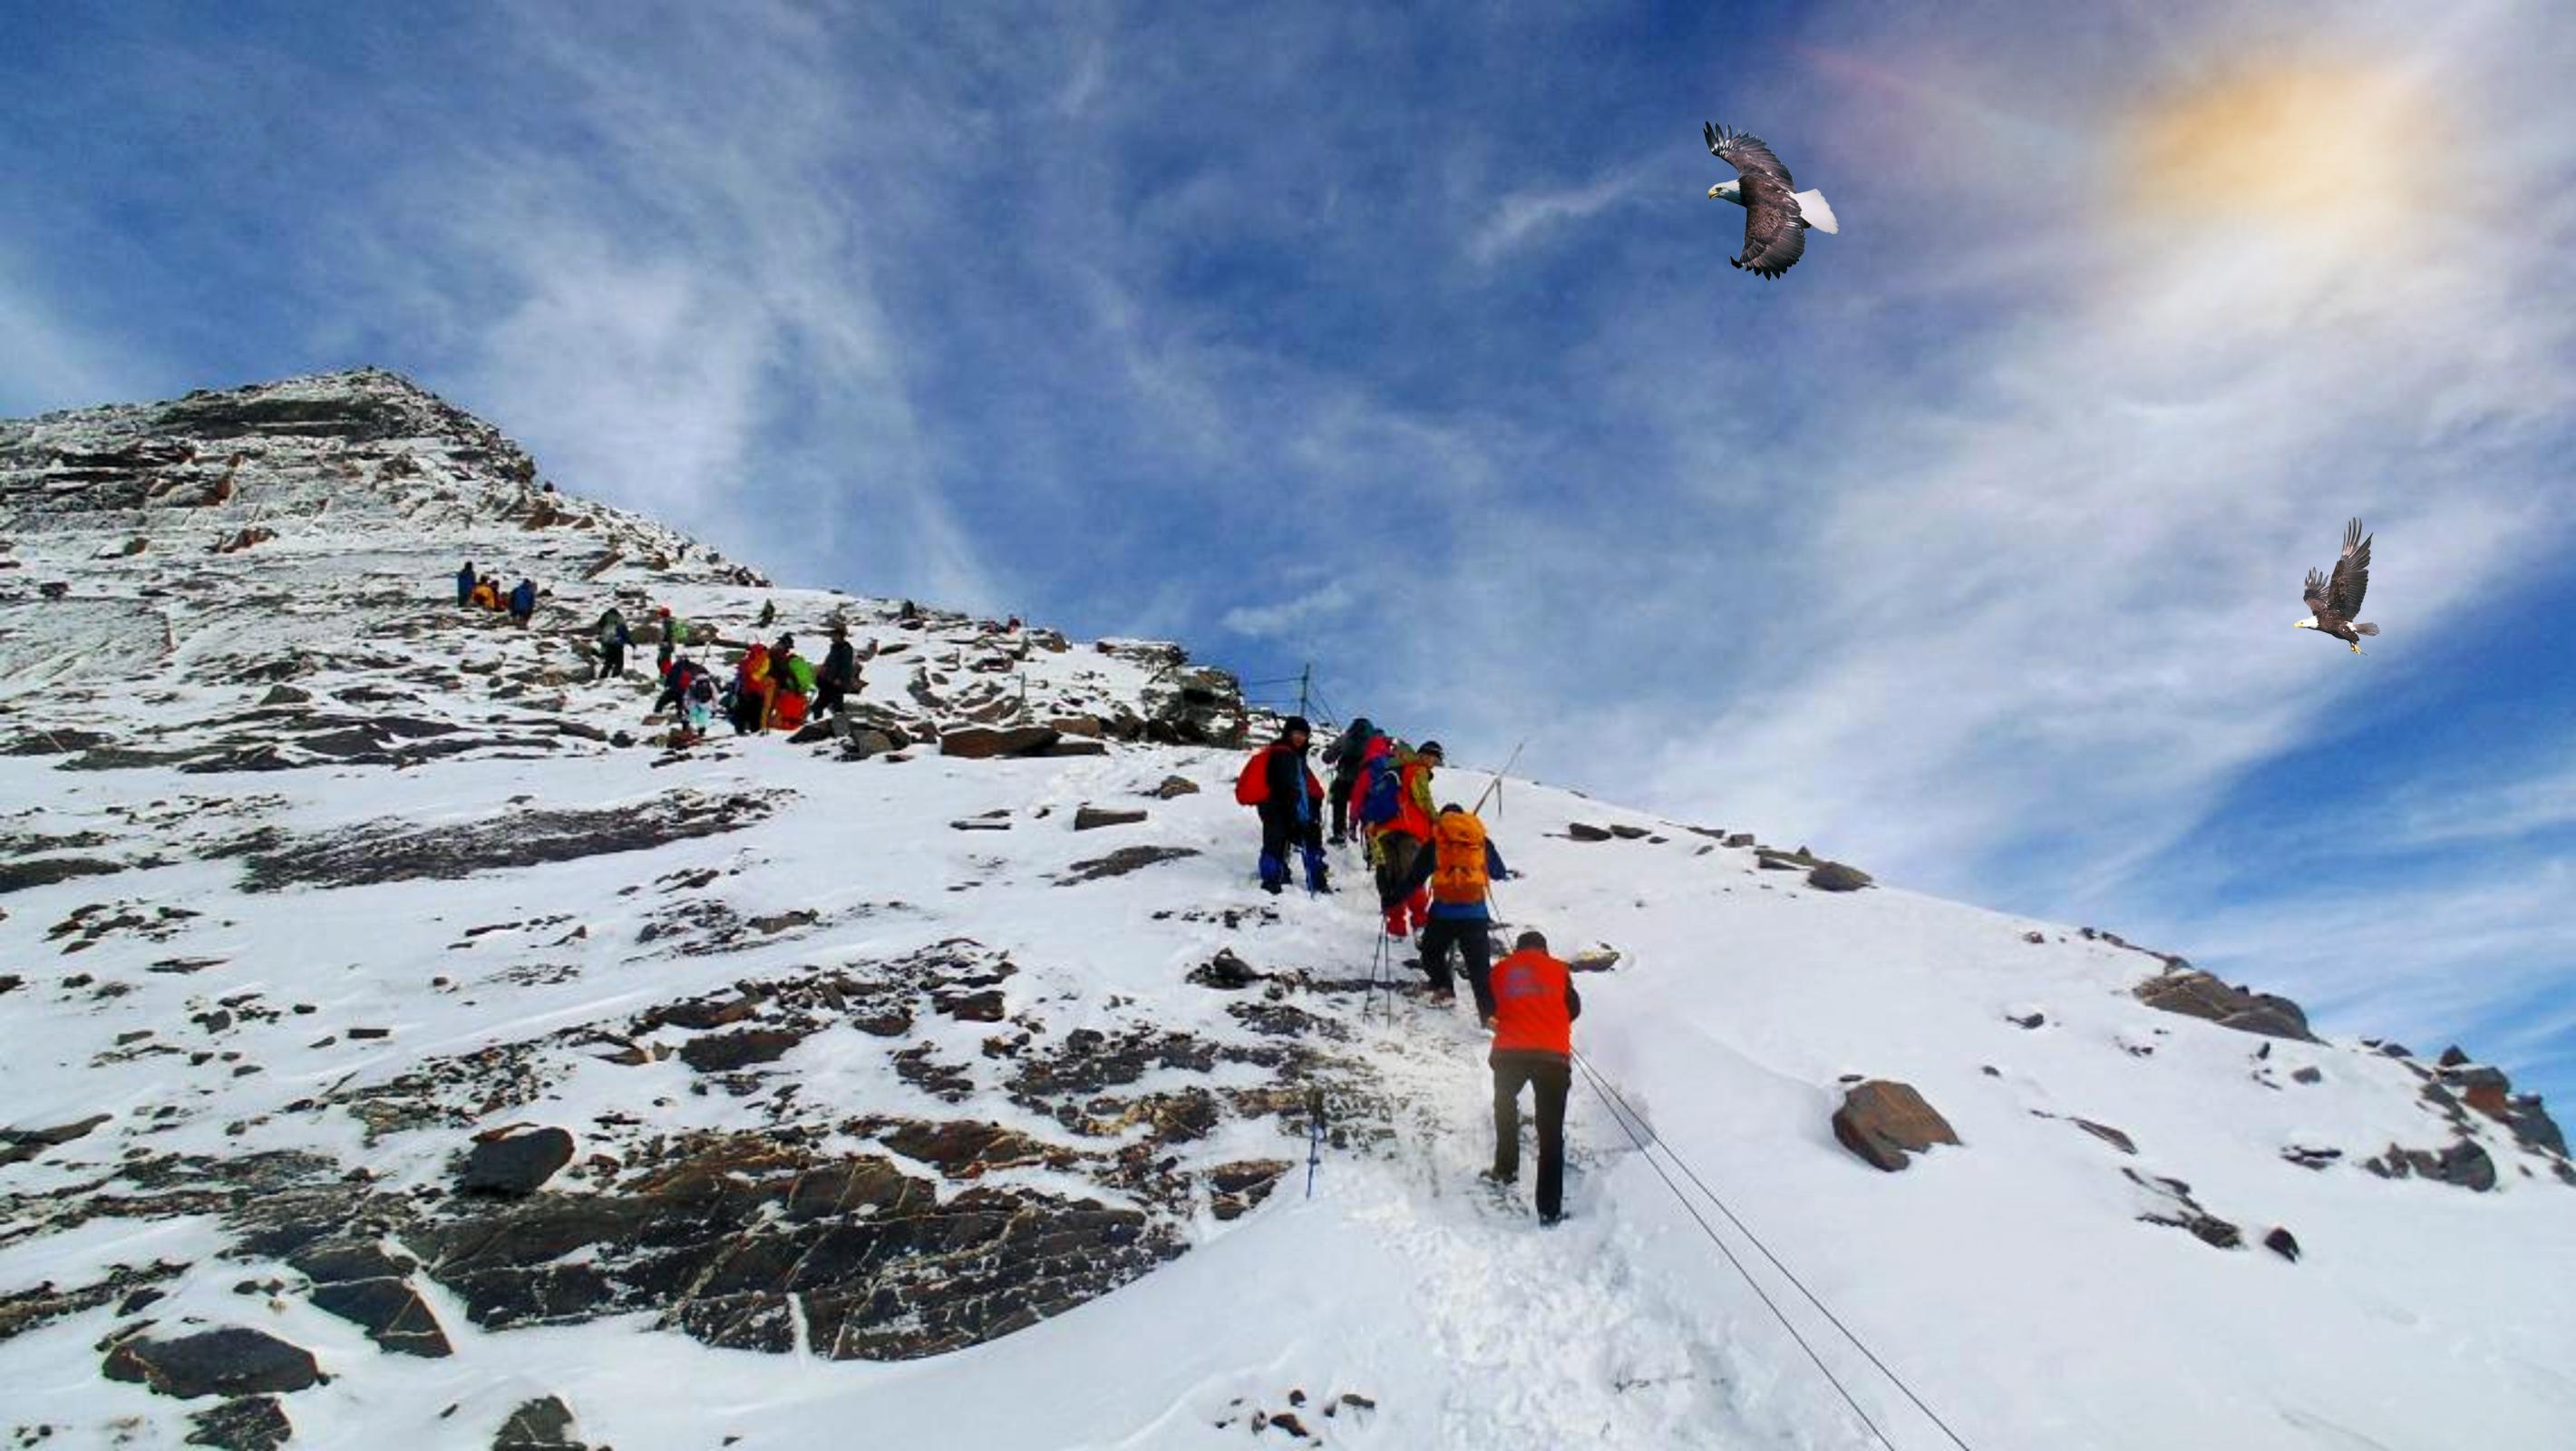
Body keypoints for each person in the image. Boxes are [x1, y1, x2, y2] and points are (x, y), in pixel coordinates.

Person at [1485, 930, 1582, 1226]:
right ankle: (1549, 1211)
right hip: (1552, 1057)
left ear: (1519, 949)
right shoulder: (1559, 970)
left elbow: (1490, 1009)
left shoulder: (1500, 970)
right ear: (1544, 949)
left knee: (1504, 1106)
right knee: (1550, 1133)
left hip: (1508, 1054)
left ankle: (1505, 1170)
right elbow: (1573, 1009)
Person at [1395, 804, 1512, 1014]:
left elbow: (1415, 879)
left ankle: (1444, 988)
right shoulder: (1480, 841)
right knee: (1480, 971)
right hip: (1475, 914)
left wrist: (1391, 900)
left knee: (1431, 954)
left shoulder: (1436, 843)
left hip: (1443, 914)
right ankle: (1490, 1019)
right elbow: (1498, 872)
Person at [1235, 716, 1327, 895]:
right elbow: (1288, 787)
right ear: (1288, 733)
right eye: (1297, 733)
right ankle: (1275, 882)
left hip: (1274, 808)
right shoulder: (1284, 754)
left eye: (1304, 735)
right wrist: (1296, 815)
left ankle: (1278, 877)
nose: (1300, 738)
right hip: (1278, 807)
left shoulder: (1292, 755)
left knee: (1277, 841)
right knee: (1280, 842)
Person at [1367, 739, 1442, 938]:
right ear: (1425, 755)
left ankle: (1396, 927)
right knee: (1412, 877)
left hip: (1384, 831)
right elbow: (1423, 798)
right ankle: (1420, 923)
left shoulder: (1394, 770)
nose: (1434, 762)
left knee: (1392, 877)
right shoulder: (1417, 769)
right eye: (1434, 758)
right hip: (1409, 830)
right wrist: (1438, 820)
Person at [1320, 716, 1378, 845]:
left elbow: (1327, 758)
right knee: (1366, 812)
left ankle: (1339, 834)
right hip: (1366, 782)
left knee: (1339, 804)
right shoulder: (1374, 741)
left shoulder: (1345, 738)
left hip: (1344, 780)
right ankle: (1372, 845)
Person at [815, 621, 859, 717]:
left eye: (834, 635)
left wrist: (840, 679)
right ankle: (821, 725)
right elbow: (830, 663)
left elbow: (846, 666)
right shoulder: (835, 648)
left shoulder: (845, 649)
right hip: (829, 681)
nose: (832, 637)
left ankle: (841, 729)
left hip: (837, 683)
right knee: (820, 706)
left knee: (836, 707)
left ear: (840, 636)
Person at [594, 606, 632, 680]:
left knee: (608, 663)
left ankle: (602, 678)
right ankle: (615, 678)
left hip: (607, 643)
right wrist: (630, 642)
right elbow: (624, 632)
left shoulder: (605, 617)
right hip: (618, 644)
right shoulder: (619, 619)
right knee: (619, 663)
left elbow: (599, 627)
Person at [655, 605, 688, 674]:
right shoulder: (668, 623)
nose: (659, 616)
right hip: (667, 646)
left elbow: (666, 636)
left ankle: (666, 677)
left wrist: (664, 643)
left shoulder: (667, 624)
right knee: (663, 662)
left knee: (663, 663)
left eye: (660, 615)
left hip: (666, 647)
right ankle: (666, 676)